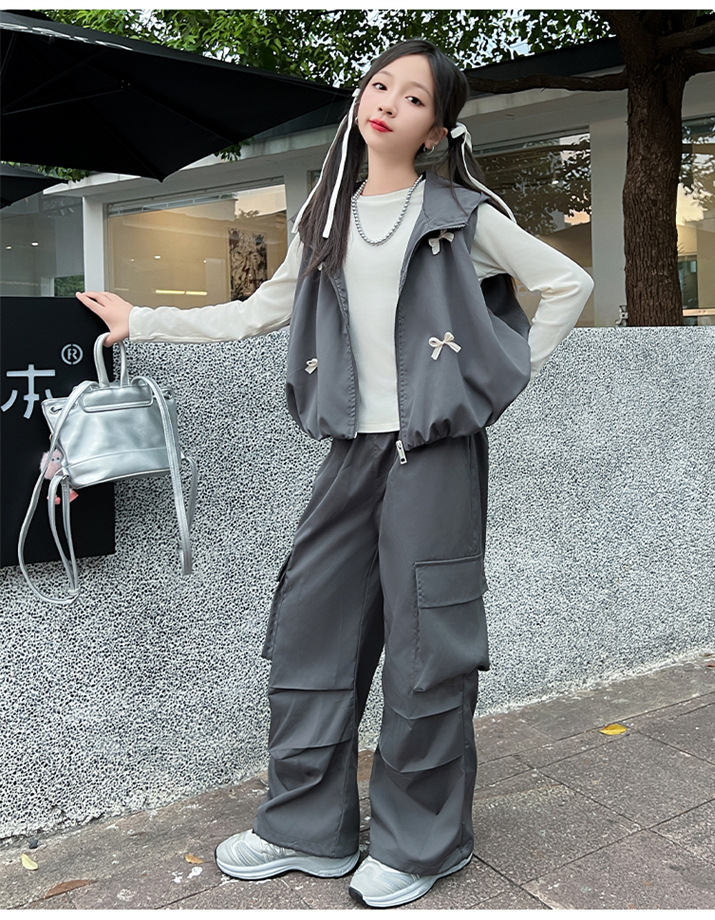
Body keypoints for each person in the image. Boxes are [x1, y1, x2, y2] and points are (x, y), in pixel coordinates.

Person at [76, 39, 594, 909]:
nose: (387, 102)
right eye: (379, 85)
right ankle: (304, 828)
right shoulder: (327, 220)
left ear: (438, 130)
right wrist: (145, 319)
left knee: (428, 647)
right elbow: (259, 313)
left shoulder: (462, 214)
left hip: (435, 453)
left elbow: (568, 283)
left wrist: (491, 385)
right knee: (312, 626)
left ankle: (421, 841)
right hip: (351, 450)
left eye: (414, 98)